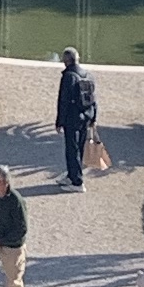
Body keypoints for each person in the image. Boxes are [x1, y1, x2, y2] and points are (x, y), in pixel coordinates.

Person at [54, 45, 99, 188]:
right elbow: (93, 99)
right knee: (80, 147)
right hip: (86, 115)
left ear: (66, 61)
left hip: (72, 118)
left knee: (72, 149)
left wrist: (59, 122)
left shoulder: (68, 76)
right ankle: (71, 175)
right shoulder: (88, 75)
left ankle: (77, 182)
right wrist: (94, 118)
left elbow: (63, 101)